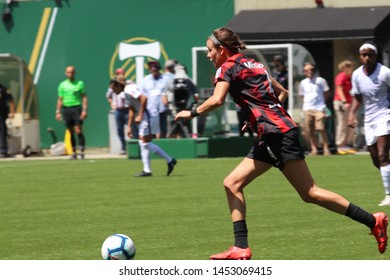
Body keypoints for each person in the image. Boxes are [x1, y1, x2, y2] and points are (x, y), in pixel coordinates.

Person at [174, 27, 388, 260]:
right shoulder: (254, 64)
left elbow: (217, 100)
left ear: (222, 49)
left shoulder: (227, 68)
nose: (208, 55)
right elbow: (282, 92)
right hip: (275, 131)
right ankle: (240, 247)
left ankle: (372, 219)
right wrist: (259, 117)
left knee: (310, 192)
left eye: (209, 50)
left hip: (276, 134)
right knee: (232, 183)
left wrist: (191, 112)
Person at [348, 42, 390, 207]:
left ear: (375, 56)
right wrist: (352, 114)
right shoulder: (357, 75)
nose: (367, 58)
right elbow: (357, 97)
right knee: (375, 159)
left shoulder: (385, 72)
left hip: (385, 115)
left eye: (370, 54)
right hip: (369, 119)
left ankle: (388, 194)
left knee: (382, 155)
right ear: (360, 57)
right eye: (364, 55)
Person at [109, 78, 177, 177]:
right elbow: (131, 109)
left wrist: (140, 115)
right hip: (146, 115)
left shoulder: (129, 88)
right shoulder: (126, 93)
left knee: (144, 143)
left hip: (148, 115)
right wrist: (129, 126)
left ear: (118, 85)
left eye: (114, 88)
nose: (113, 91)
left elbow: (144, 98)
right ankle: (148, 170)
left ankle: (169, 160)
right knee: (143, 142)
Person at [55, 65, 87, 160]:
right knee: (70, 131)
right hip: (66, 109)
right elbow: (60, 99)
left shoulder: (80, 84)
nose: (70, 74)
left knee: (78, 130)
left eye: (72, 72)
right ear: (66, 73)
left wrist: (84, 110)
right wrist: (58, 111)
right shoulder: (62, 85)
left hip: (76, 108)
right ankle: (73, 152)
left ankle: (81, 151)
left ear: (74, 73)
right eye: (68, 72)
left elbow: (84, 97)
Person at [299, 62, 331, 155]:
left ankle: (326, 148)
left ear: (314, 70)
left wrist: (322, 104)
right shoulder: (303, 82)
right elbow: (302, 96)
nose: (309, 71)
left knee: (321, 128)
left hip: (319, 108)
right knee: (310, 130)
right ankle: (314, 148)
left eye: (311, 69)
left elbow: (326, 93)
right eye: (307, 70)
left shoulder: (321, 80)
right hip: (307, 108)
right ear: (304, 71)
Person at [106, 68, 138, 154]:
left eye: (122, 74)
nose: (121, 75)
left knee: (133, 128)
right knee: (119, 130)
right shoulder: (114, 85)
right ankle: (123, 148)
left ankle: (136, 146)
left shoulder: (129, 84)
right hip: (118, 110)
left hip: (128, 109)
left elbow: (140, 95)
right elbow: (108, 96)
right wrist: (112, 104)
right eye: (118, 74)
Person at [140, 60, 170, 138]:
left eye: (156, 69)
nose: (154, 70)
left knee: (163, 128)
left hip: (162, 108)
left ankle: (163, 145)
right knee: (152, 129)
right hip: (150, 109)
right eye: (152, 69)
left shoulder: (166, 79)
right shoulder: (145, 80)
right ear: (149, 69)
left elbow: (169, 91)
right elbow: (142, 94)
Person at [333, 60, 355, 154]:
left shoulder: (350, 77)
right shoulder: (341, 77)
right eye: (348, 66)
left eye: (350, 65)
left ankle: (346, 145)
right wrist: (344, 101)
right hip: (341, 102)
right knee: (342, 124)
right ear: (343, 68)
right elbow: (339, 90)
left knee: (350, 124)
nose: (350, 67)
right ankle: (340, 146)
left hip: (349, 103)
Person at [0, 83, 15, 158]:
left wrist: (12, 112)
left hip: (1, 114)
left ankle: (3, 151)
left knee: (2, 132)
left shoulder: (3, 89)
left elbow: (11, 100)